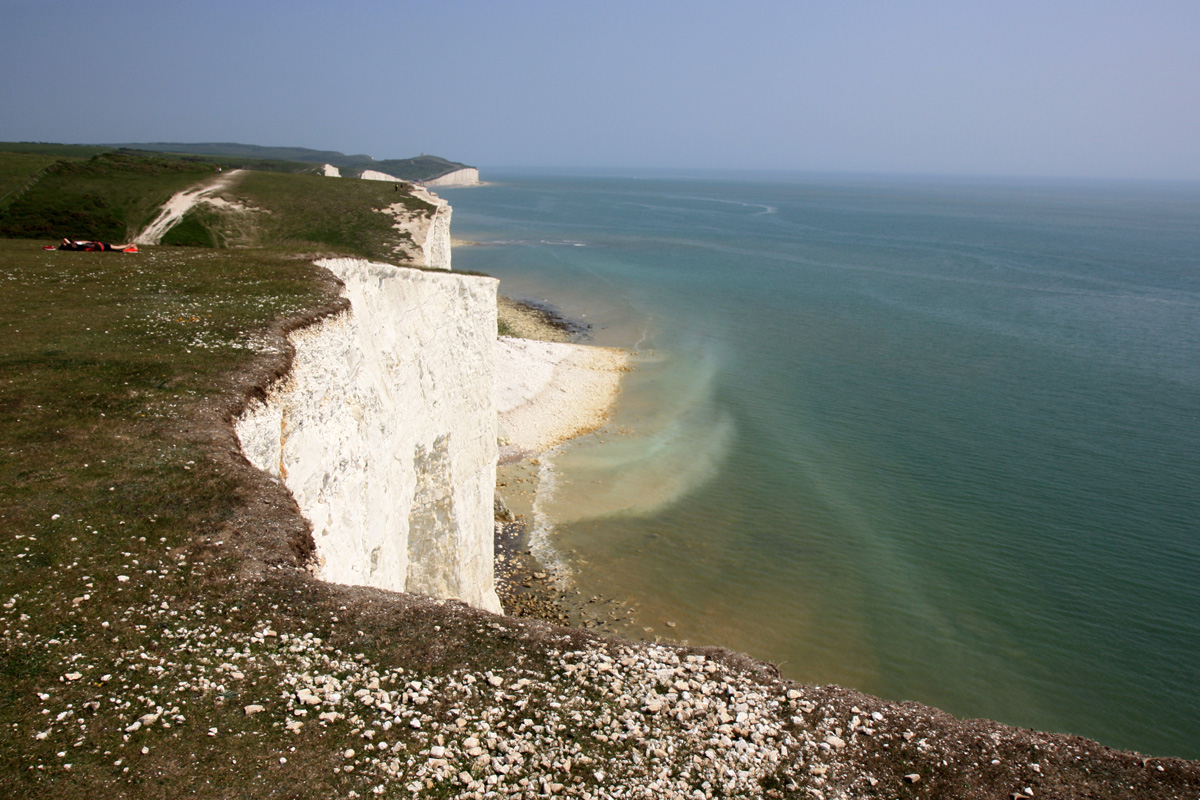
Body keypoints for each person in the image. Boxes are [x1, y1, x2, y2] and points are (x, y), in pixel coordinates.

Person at [58, 238, 138, 252]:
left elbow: (66, 239)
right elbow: (65, 239)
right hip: (97, 245)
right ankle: (129, 246)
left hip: (98, 247)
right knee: (115, 247)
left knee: (116, 249)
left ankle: (129, 247)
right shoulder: (76, 245)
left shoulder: (75, 246)